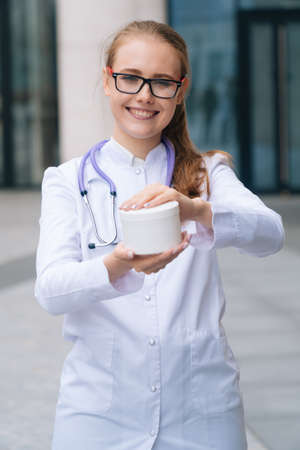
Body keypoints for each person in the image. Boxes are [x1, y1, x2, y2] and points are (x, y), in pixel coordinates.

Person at [34, 20, 284, 450]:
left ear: (180, 90)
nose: (145, 94)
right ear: (108, 81)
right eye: (130, 78)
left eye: (162, 82)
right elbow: (52, 291)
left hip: (203, 412)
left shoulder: (207, 173)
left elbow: (271, 235)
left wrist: (196, 210)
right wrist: (117, 266)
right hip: (99, 415)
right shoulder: (67, 180)